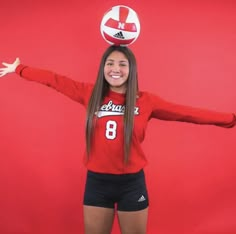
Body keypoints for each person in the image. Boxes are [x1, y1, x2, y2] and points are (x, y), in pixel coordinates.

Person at [0, 45, 235, 234]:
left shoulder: (146, 101)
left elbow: (187, 112)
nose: (115, 68)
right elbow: (55, 80)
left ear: (131, 69)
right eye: (109, 63)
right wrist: (20, 69)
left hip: (131, 185)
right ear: (103, 67)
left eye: (122, 64)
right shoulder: (90, 93)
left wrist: (231, 119)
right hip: (97, 183)